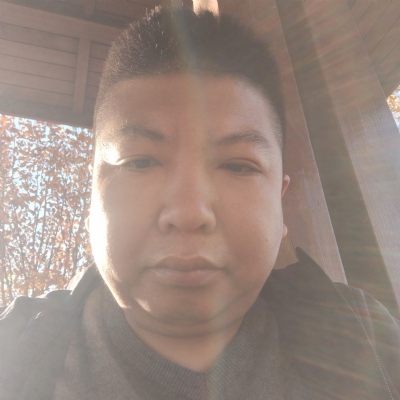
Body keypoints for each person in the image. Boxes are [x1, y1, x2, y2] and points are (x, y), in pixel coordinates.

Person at [1, 7, 400, 400]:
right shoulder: (14, 350)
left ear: (280, 203)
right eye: (140, 162)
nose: (189, 213)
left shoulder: (366, 336)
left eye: (238, 166)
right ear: (93, 197)